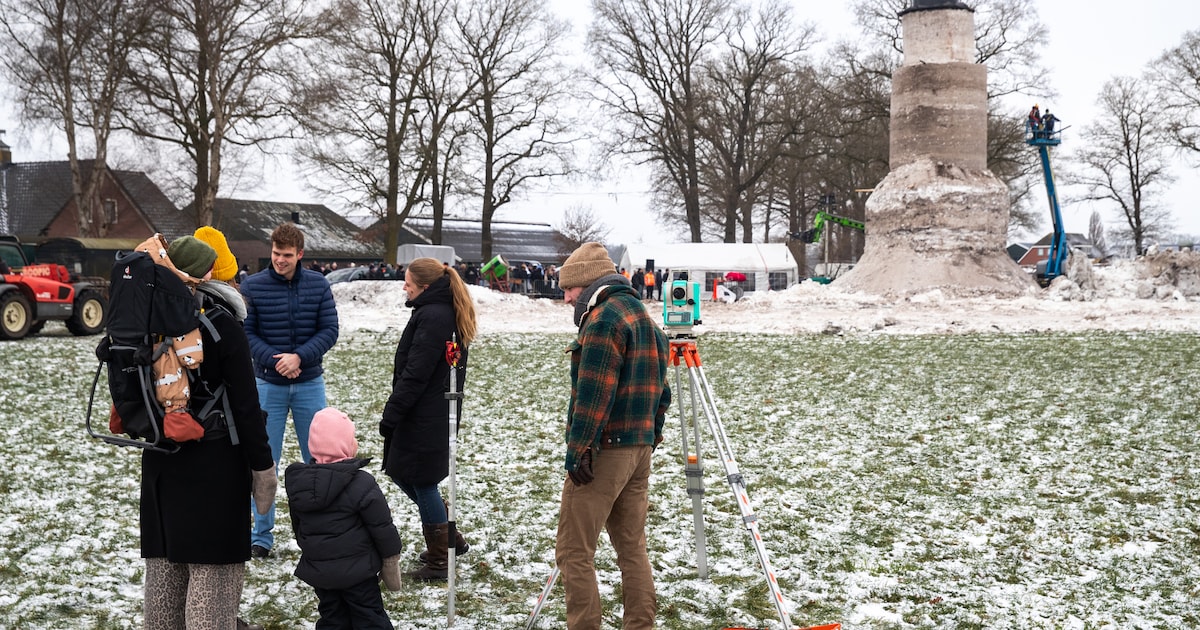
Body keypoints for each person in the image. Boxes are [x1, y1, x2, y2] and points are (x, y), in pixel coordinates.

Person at [141, 236, 276, 630]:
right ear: (207, 274)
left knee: (165, 578)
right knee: (212, 583)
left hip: (160, 464)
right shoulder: (220, 324)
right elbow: (246, 406)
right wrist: (263, 467)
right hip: (215, 466)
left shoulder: (144, 319)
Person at [554, 242, 672, 630]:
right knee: (632, 548)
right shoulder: (644, 318)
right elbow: (662, 393)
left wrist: (578, 450)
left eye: (569, 289)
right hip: (638, 450)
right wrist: (650, 437)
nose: (566, 297)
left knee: (573, 551)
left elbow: (593, 395)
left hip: (604, 451)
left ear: (588, 284)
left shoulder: (604, 320)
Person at [241, 222, 340, 559]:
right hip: (268, 385)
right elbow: (246, 333)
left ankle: (320, 532)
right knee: (264, 461)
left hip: (309, 382)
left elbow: (329, 330)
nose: (279, 260)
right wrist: (277, 360)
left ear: (300, 254)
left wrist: (299, 357)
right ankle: (261, 536)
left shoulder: (318, 284)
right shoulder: (253, 286)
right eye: (275, 253)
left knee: (319, 460)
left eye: (286, 255)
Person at [379, 257, 477, 581]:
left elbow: (416, 373)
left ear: (424, 286)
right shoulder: (436, 311)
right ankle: (449, 538)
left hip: (425, 413)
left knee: (422, 482)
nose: (403, 288)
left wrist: (392, 412)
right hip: (429, 411)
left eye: (408, 283)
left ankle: (440, 560)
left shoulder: (434, 316)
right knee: (402, 472)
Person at [285, 407, 403, 629]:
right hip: (359, 573)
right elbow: (382, 527)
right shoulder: (361, 483)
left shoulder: (300, 485)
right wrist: (391, 556)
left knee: (332, 617)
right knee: (369, 617)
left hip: (321, 573)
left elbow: (298, 526)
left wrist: (312, 551)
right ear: (346, 445)